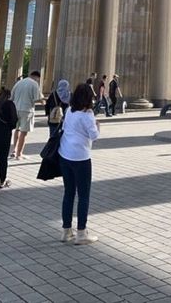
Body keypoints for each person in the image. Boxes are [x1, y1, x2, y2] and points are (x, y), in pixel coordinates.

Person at [59, 83, 100, 244]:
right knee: (83, 195)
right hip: (81, 158)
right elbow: (94, 136)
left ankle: (66, 230)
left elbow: (64, 127)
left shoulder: (69, 110)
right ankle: (81, 233)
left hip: (64, 155)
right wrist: (98, 126)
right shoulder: (87, 114)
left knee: (68, 193)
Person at [10, 71, 42, 159]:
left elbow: (11, 97)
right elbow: (37, 99)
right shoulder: (34, 84)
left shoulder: (19, 83)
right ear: (37, 77)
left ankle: (14, 150)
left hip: (16, 109)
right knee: (24, 132)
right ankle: (19, 154)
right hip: (27, 110)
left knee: (17, 130)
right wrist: (43, 101)